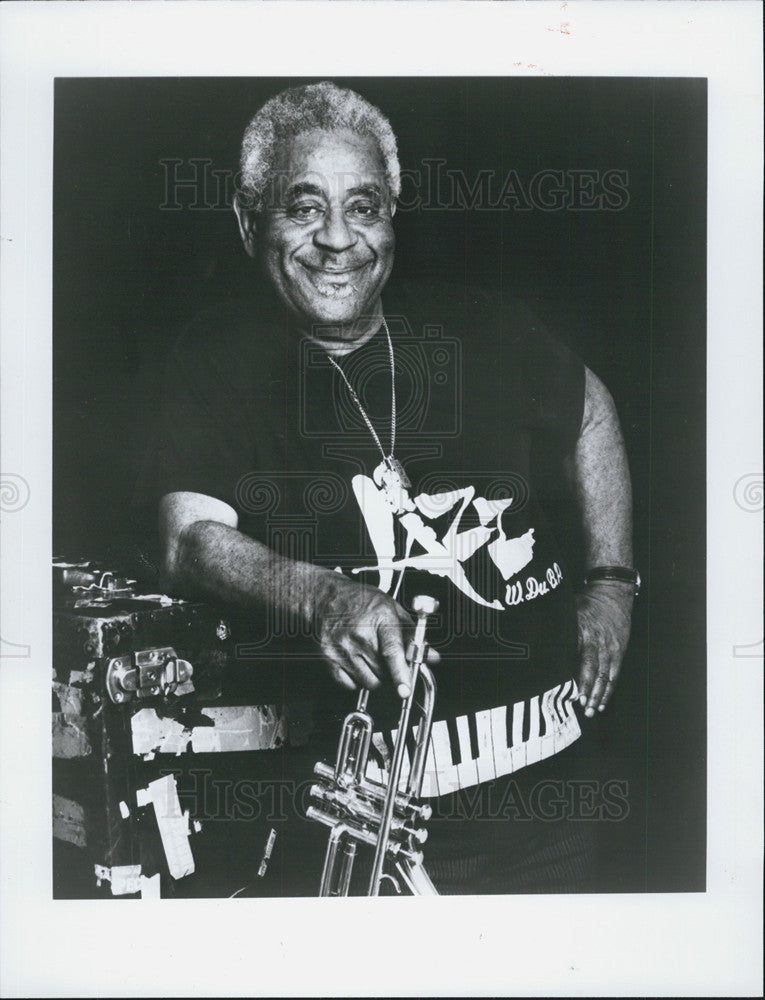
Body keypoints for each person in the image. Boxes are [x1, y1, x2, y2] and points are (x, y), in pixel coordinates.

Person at [141, 81, 637, 894]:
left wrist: (613, 583)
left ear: (390, 219)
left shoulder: (482, 326)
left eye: (363, 207)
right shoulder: (215, 364)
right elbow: (186, 540)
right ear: (248, 221)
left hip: (558, 799)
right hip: (375, 831)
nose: (338, 239)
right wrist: (323, 598)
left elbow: (591, 411)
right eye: (303, 207)